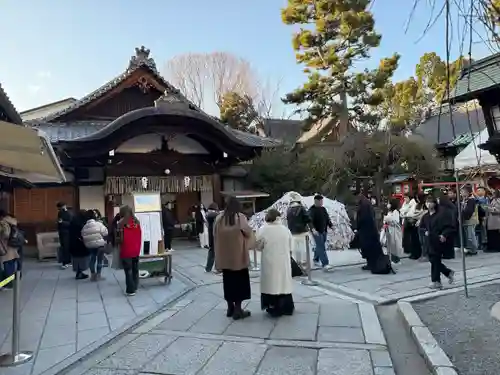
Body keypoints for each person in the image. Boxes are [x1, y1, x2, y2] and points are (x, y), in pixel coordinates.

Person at [213, 197, 253, 320]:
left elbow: (214, 234)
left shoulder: (219, 219)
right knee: (240, 283)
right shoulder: (240, 217)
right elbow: (248, 232)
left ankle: (230, 307)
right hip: (238, 257)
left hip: (224, 257)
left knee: (228, 282)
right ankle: (238, 309)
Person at [256, 208, 294, 317]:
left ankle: (272, 305)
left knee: (271, 284)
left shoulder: (263, 229)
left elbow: (258, 246)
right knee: (283, 284)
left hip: (269, 262)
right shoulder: (285, 230)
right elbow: (291, 247)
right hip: (283, 261)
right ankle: (286, 307)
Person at [420, 195, 455, 289]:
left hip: (438, 240)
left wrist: (444, 235)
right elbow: (422, 227)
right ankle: (447, 272)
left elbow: (449, 226)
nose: (428, 204)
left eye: (430, 202)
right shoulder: (426, 216)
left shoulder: (441, 214)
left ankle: (436, 281)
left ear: (435, 203)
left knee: (435, 259)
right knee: (433, 260)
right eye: (427, 202)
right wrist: (425, 232)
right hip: (429, 241)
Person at [356, 193, 384, 272]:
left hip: (366, 231)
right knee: (371, 248)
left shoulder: (364, 206)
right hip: (371, 230)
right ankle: (372, 263)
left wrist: (357, 227)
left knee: (368, 248)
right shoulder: (367, 204)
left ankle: (371, 264)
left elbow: (362, 219)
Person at [118, 206, 142, 296]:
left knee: (128, 270)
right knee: (135, 269)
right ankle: (135, 286)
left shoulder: (121, 223)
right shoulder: (136, 222)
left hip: (126, 249)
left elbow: (118, 238)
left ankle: (130, 290)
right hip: (136, 248)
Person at [81, 210, 108, 281]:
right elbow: (105, 232)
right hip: (100, 245)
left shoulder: (84, 227)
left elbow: (82, 235)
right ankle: (98, 275)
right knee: (99, 260)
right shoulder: (99, 224)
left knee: (92, 259)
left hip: (90, 245)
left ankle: (93, 275)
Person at [308, 194, 333, 270]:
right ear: (316, 201)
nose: (322, 202)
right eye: (320, 201)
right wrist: (313, 229)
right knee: (321, 246)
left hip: (324, 230)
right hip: (316, 231)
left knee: (319, 245)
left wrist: (331, 225)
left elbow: (327, 218)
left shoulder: (323, 209)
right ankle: (325, 264)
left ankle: (315, 259)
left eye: (322, 201)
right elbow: (309, 221)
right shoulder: (311, 210)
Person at [286, 192, 311, 265]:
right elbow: (308, 218)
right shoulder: (301, 208)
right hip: (303, 232)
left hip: (293, 232)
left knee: (296, 250)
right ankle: (305, 263)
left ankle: (298, 263)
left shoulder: (288, 210)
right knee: (304, 249)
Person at [0, 210, 20, 289]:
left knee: (7, 266)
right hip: (13, 247)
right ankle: (10, 283)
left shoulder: (3, 223)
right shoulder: (12, 221)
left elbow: (5, 234)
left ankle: (8, 284)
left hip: (6, 248)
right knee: (10, 266)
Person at [69, 210, 90, 280]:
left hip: (72, 242)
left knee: (76, 259)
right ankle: (80, 272)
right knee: (82, 258)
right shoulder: (82, 223)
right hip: (80, 243)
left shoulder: (73, 221)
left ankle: (78, 272)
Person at [436, 194, 457, 259]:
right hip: (451, 226)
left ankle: (447, 254)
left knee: (446, 242)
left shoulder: (443, 209)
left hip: (446, 226)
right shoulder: (450, 207)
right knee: (449, 242)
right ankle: (449, 254)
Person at [383, 199, 404, 264]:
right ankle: (392, 258)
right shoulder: (390, 212)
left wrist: (386, 218)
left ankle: (396, 259)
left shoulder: (396, 212)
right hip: (390, 230)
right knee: (390, 245)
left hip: (395, 231)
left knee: (395, 245)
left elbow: (394, 221)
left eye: (389, 203)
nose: (388, 204)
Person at [460, 185, 479, 256]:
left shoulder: (471, 200)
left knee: (471, 235)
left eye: (463, 192)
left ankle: (473, 249)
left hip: (471, 220)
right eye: (461, 192)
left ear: (468, 192)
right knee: (468, 235)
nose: (462, 193)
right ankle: (469, 248)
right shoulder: (463, 200)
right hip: (465, 220)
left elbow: (469, 211)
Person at [401, 194, 419, 258]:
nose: (405, 199)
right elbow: (401, 212)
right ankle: (406, 249)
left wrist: (405, 213)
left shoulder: (413, 203)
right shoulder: (404, 203)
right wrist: (405, 213)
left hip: (410, 222)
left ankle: (410, 249)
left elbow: (410, 213)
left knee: (410, 237)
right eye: (404, 198)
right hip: (405, 221)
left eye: (406, 197)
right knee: (406, 236)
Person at [57, 202, 72, 269]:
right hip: (62, 232)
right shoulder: (60, 213)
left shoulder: (69, 213)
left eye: (60, 207)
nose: (59, 209)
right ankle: (66, 262)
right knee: (64, 247)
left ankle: (66, 262)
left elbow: (70, 223)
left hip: (67, 232)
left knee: (66, 247)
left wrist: (62, 222)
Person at [205, 202, 220, 273]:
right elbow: (216, 214)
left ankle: (208, 268)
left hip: (211, 236)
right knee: (215, 252)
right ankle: (217, 268)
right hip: (215, 236)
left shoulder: (208, 214)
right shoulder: (211, 215)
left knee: (212, 252)